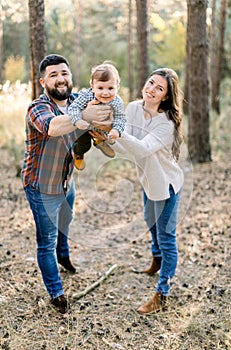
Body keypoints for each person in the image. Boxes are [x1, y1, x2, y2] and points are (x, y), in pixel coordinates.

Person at [21, 54, 112, 314]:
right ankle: (56, 292)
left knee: (66, 220)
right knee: (45, 240)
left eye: (64, 73)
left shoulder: (76, 102)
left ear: (71, 77)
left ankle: (64, 254)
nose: (60, 79)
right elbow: (53, 127)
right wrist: (85, 115)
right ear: (42, 82)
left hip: (65, 181)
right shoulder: (37, 108)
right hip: (41, 186)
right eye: (53, 75)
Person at [110, 68, 184, 314]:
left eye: (159, 88)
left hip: (167, 185)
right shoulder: (131, 109)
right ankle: (157, 258)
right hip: (147, 181)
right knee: (149, 222)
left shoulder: (167, 124)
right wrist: (107, 140)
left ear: (165, 96)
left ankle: (162, 294)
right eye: (151, 83)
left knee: (166, 237)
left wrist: (117, 133)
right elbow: (126, 150)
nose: (151, 89)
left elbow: (141, 149)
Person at [68, 62, 126, 170]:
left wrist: (117, 130)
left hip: (102, 127)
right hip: (85, 127)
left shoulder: (117, 101)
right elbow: (73, 108)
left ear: (117, 87)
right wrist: (77, 120)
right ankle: (78, 153)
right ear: (92, 87)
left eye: (110, 88)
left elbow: (120, 117)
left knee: (110, 136)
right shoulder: (87, 95)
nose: (105, 93)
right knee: (84, 145)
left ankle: (100, 141)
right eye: (100, 88)